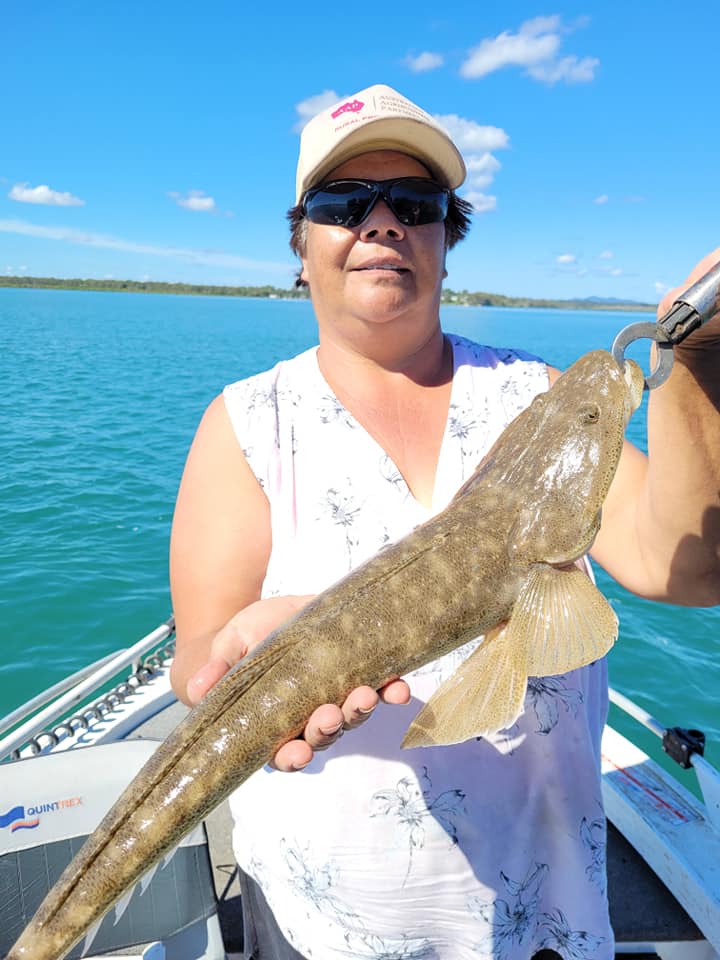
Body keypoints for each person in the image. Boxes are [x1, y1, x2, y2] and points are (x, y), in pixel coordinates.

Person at [169, 83, 720, 960]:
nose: (383, 223)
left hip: (542, 909)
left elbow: (686, 569)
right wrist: (248, 647)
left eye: (416, 204)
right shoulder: (246, 423)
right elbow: (199, 662)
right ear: (300, 247)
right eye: (345, 204)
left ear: (446, 239)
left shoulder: (539, 399)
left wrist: (693, 364)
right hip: (329, 922)